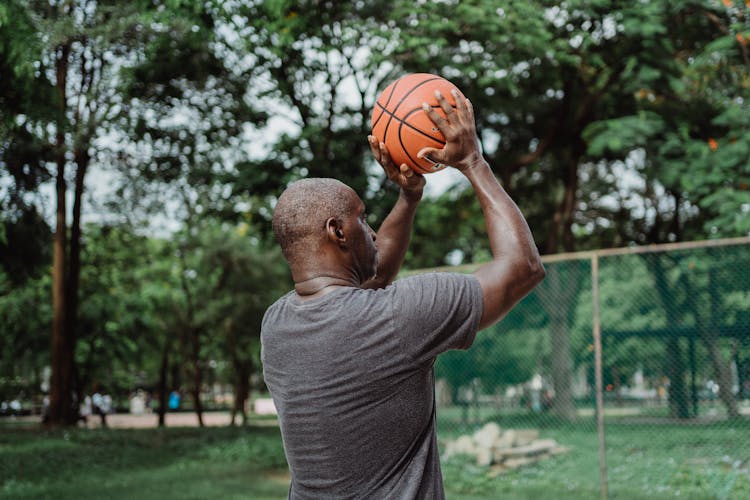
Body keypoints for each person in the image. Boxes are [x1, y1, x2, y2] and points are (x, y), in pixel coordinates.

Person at [261, 88, 545, 499]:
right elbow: (523, 268)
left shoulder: (276, 325)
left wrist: (409, 196)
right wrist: (472, 161)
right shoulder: (397, 317)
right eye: (361, 220)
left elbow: (371, 278)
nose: (372, 231)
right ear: (337, 232)